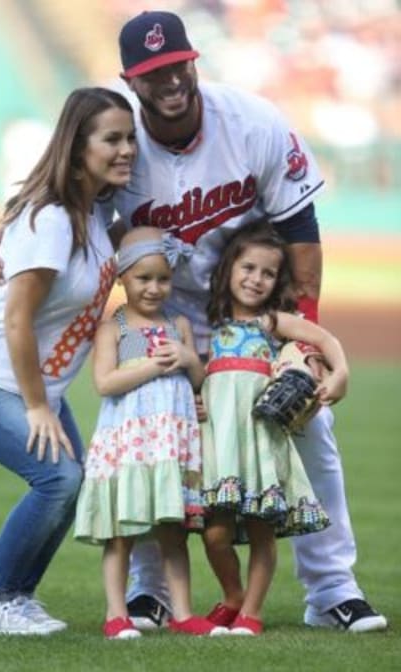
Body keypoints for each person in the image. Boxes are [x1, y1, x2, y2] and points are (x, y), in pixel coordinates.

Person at [0, 11, 387, 633]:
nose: (168, 81)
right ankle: (152, 592)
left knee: (308, 426)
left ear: (194, 61)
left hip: (247, 308)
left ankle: (331, 590)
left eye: (176, 66)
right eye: (151, 73)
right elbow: (60, 184)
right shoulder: (119, 137)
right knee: (152, 436)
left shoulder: (253, 122)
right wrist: (2, 231)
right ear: (130, 81)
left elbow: (300, 227)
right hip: (162, 314)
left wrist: (304, 334)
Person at [0, 87, 137, 635]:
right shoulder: (56, 220)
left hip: (24, 382)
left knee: (71, 480)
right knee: (58, 479)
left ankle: (13, 599)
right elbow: (16, 319)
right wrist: (40, 405)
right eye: (112, 139)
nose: (126, 149)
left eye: (129, 138)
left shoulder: (94, 210)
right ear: (77, 146)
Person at [74, 226, 228, 639]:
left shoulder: (178, 324)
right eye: (144, 278)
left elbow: (198, 377)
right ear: (123, 278)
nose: (154, 287)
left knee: (173, 533)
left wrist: (185, 358)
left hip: (171, 447)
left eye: (163, 278)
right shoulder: (114, 328)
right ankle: (116, 615)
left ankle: (181, 613)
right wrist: (154, 366)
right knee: (122, 534)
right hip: (130, 443)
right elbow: (105, 383)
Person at [200, 221, 349, 636]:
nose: (256, 279)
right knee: (215, 534)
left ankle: (251, 611)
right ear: (228, 268)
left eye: (268, 273)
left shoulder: (271, 322)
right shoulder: (208, 322)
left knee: (263, 528)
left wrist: (342, 373)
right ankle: (232, 595)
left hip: (261, 442)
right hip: (222, 445)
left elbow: (325, 339)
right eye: (248, 268)